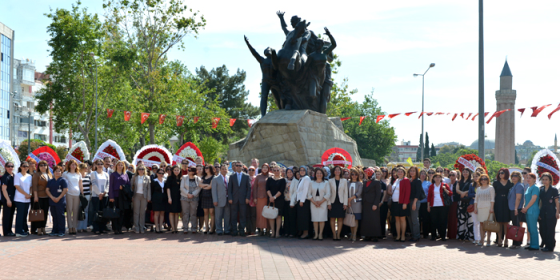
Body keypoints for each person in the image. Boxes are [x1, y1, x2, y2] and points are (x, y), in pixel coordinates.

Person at [228, 161, 251, 236]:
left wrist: (247, 198)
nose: (238, 166)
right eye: (237, 165)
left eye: (239, 165)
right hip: (234, 199)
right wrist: (230, 198)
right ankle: (234, 231)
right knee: (233, 216)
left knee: (243, 215)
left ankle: (241, 231)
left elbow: (249, 188)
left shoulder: (246, 176)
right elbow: (229, 189)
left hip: (243, 199)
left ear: (242, 166)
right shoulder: (232, 176)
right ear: (235, 167)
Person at [538, 172, 559, 252]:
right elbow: (540, 202)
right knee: (542, 229)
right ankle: (546, 243)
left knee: (550, 230)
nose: (544, 181)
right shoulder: (541, 189)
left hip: (551, 212)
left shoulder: (554, 190)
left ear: (550, 180)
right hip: (543, 212)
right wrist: (539, 212)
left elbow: (557, 202)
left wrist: (557, 212)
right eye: (543, 179)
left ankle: (550, 246)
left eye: (546, 179)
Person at [427, 172, 452, 241]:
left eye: (439, 177)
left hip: (443, 206)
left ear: (441, 178)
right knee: (433, 221)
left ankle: (442, 235)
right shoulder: (432, 186)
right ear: (434, 178)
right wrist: (428, 206)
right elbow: (429, 197)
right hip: (433, 205)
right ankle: (433, 235)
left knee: (443, 221)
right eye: (436, 177)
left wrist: (445, 189)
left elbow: (450, 193)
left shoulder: (444, 185)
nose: (437, 179)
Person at [31, 160, 53, 236]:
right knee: (39, 213)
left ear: (47, 166)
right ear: (38, 167)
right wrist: (36, 196)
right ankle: (39, 229)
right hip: (39, 196)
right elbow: (34, 186)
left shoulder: (50, 174)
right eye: (41, 165)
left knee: (45, 213)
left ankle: (43, 228)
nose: (43, 167)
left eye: (45, 165)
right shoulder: (36, 174)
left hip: (47, 197)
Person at [45, 166, 68, 237]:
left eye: (59, 171)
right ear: (53, 172)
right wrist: (52, 197)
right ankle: (54, 230)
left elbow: (65, 190)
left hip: (60, 201)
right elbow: (47, 190)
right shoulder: (50, 181)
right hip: (52, 201)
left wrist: (58, 198)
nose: (57, 172)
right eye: (56, 171)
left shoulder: (63, 180)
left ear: (61, 172)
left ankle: (61, 231)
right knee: (54, 216)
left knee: (60, 216)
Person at [492, 168, 512, 247]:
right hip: (498, 203)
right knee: (499, 222)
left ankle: (506, 240)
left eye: (502, 173)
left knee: (506, 223)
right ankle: (499, 239)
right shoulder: (496, 183)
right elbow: (494, 195)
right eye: (499, 173)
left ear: (506, 173)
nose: (500, 174)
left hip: (507, 203)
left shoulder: (510, 183)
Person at [327, 166, 348, 241]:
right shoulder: (330, 181)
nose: (337, 171)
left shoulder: (344, 181)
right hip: (332, 202)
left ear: (340, 171)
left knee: (340, 219)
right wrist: (328, 203)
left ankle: (338, 234)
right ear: (333, 171)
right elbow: (328, 193)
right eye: (335, 170)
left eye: (338, 170)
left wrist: (345, 204)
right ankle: (334, 234)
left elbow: (346, 193)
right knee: (332, 218)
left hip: (341, 202)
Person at [308, 168, 330, 240]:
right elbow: (309, 194)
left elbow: (328, 194)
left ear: (323, 174)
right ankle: (316, 234)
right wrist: (314, 202)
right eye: (317, 173)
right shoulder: (311, 182)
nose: (319, 175)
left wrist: (320, 202)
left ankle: (320, 234)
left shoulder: (326, 183)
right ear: (315, 174)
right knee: (315, 219)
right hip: (313, 202)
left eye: (320, 173)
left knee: (322, 219)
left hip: (323, 203)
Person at [474, 174, 495, 246]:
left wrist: (492, 208)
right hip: (480, 208)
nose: (483, 180)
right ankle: (481, 240)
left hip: (488, 208)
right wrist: (475, 208)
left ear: (488, 180)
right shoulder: (478, 188)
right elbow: (476, 200)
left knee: (488, 224)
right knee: (481, 224)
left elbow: (492, 199)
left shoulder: (491, 188)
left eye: (485, 179)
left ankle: (488, 240)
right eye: (482, 179)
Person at [390, 167, 411, 242]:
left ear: (404, 173)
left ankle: (403, 236)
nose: (399, 173)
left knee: (402, 219)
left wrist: (405, 203)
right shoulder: (396, 180)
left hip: (402, 203)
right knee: (397, 220)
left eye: (401, 171)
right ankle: (398, 235)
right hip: (395, 203)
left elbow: (407, 193)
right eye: (398, 171)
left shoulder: (406, 180)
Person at [63, 160, 84, 235]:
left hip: (77, 194)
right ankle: (70, 227)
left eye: (75, 165)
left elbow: (80, 184)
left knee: (75, 211)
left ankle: (74, 227)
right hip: (69, 194)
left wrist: (82, 193)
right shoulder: (65, 174)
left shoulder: (78, 174)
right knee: (69, 210)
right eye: (72, 164)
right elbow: (64, 184)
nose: (73, 166)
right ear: (69, 165)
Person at [109, 161, 129, 235]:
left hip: (123, 196)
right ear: (116, 166)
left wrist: (123, 187)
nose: (120, 166)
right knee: (115, 212)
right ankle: (115, 228)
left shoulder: (125, 175)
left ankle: (120, 228)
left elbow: (128, 185)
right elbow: (110, 186)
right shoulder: (113, 175)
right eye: (119, 165)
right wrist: (111, 196)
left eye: (121, 165)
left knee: (122, 212)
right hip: (115, 195)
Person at [266, 164, 286, 238]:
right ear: (273, 171)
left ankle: (277, 232)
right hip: (271, 199)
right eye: (275, 170)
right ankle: (273, 231)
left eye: (278, 170)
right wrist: (271, 197)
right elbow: (267, 189)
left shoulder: (282, 180)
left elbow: (281, 190)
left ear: (280, 171)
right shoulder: (269, 179)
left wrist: (274, 197)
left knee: (278, 216)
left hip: (279, 200)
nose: (276, 171)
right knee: (271, 216)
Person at [90, 159, 110, 234]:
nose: (100, 165)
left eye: (101, 164)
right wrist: (99, 193)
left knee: (103, 212)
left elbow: (108, 184)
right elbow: (94, 184)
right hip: (96, 196)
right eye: (98, 164)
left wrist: (104, 192)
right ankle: (96, 228)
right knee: (96, 212)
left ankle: (102, 228)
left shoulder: (106, 174)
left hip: (105, 195)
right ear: (95, 165)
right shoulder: (93, 173)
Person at [506, 171, 525, 248]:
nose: (513, 177)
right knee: (515, 225)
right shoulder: (514, 185)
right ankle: (517, 242)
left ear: (519, 177)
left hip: (516, 208)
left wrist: (516, 209)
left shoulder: (519, 186)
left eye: (516, 176)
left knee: (516, 226)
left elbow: (518, 198)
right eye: (512, 175)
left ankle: (516, 243)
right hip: (512, 208)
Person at [13, 162, 32, 237]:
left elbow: (31, 187)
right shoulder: (17, 175)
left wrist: (30, 194)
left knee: (24, 215)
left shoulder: (29, 176)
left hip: (27, 199)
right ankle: (18, 231)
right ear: (20, 167)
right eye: (24, 166)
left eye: (27, 166)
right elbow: (17, 186)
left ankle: (23, 230)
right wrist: (26, 194)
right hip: (19, 198)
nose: (25, 167)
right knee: (20, 215)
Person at [521, 173, 539, 250]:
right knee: (530, 228)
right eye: (527, 178)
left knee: (533, 228)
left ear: (534, 179)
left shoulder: (535, 188)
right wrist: (524, 207)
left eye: (530, 178)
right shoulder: (528, 188)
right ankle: (532, 244)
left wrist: (526, 208)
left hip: (533, 209)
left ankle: (535, 245)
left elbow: (533, 199)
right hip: (528, 210)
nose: (528, 179)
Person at [180, 167, 201, 233]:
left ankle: (194, 227)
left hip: (194, 198)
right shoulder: (184, 177)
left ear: (194, 172)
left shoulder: (198, 179)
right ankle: (185, 227)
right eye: (188, 170)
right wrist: (188, 194)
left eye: (190, 170)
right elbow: (182, 187)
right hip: (184, 197)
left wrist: (193, 194)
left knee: (193, 213)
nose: (188, 171)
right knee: (185, 213)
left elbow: (199, 188)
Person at [131, 164, 151, 233]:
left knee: (142, 213)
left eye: (142, 169)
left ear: (144, 170)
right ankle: (136, 227)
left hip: (144, 196)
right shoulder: (134, 177)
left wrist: (149, 197)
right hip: (136, 196)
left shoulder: (147, 177)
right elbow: (131, 187)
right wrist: (131, 196)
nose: (141, 170)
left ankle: (141, 227)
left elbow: (149, 188)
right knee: (136, 212)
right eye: (140, 169)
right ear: (137, 170)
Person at [212, 164, 231, 235]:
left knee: (227, 216)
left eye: (225, 169)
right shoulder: (216, 179)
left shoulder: (229, 178)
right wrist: (215, 200)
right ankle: (219, 230)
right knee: (218, 216)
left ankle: (227, 230)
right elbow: (214, 191)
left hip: (228, 200)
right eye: (222, 169)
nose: (224, 170)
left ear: (227, 170)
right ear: (220, 170)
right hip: (219, 200)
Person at [252, 163, 270, 236]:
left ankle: (268, 229)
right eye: (263, 167)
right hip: (259, 198)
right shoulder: (258, 176)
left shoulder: (271, 176)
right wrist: (255, 197)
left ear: (268, 169)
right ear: (261, 168)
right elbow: (255, 187)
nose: (265, 169)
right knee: (260, 214)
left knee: (268, 213)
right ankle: (261, 230)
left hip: (268, 198)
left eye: (266, 167)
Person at [456, 169, 474, 241]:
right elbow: (457, 190)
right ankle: (461, 235)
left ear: (469, 173)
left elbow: (472, 190)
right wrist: (462, 193)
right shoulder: (459, 181)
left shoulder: (472, 181)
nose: (465, 173)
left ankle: (470, 236)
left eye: (467, 172)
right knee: (461, 219)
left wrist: (464, 192)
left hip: (469, 202)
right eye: (464, 172)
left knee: (470, 220)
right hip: (461, 202)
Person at [407, 166, 423, 242]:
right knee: (409, 219)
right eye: (411, 171)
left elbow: (418, 193)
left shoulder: (418, 181)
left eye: (413, 171)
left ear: (416, 172)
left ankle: (416, 236)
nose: (412, 172)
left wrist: (414, 203)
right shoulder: (409, 180)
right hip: (408, 201)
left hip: (415, 201)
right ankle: (413, 235)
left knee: (414, 219)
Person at [165, 165, 182, 233]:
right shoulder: (170, 178)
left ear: (180, 170)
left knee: (176, 213)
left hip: (179, 198)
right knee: (171, 212)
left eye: (177, 170)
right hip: (171, 197)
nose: (176, 171)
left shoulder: (181, 178)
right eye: (175, 170)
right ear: (172, 171)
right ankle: (173, 228)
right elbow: (168, 188)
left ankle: (176, 227)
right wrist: (169, 197)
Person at [347, 168, 363, 242]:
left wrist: (350, 198)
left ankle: (354, 234)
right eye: (352, 174)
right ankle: (352, 233)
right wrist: (348, 201)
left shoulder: (360, 183)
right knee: (351, 219)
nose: (354, 176)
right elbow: (346, 193)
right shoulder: (348, 183)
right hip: (349, 203)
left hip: (357, 203)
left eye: (355, 174)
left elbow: (359, 193)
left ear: (358, 175)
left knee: (355, 219)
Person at [199, 165, 216, 234]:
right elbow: (199, 184)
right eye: (205, 168)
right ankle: (206, 228)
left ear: (210, 169)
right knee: (205, 213)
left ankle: (212, 228)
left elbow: (210, 186)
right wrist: (206, 185)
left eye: (207, 168)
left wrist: (204, 186)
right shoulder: (203, 177)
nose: (205, 169)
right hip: (204, 197)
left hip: (211, 197)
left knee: (212, 213)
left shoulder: (213, 177)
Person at [1, 161, 16, 237]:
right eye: (9, 166)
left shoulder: (14, 175)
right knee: (7, 216)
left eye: (12, 166)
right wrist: (8, 199)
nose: (10, 167)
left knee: (11, 215)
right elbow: (4, 189)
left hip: (13, 199)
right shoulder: (5, 177)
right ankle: (6, 232)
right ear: (5, 167)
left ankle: (9, 231)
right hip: (8, 199)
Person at [76, 163, 91, 233]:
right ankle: (78, 227)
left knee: (86, 211)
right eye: (85, 167)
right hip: (79, 195)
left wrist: (90, 194)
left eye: (87, 167)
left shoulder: (88, 176)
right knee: (79, 210)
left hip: (87, 195)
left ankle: (84, 227)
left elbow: (90, 186)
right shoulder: (78, 175)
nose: (86, 168)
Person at [151, 168, 166, 233]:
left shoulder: (165, 180)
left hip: (163, 199)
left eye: (162, 173)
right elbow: (151, 191)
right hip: (156, 199)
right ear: (157, 174)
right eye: (159, 173)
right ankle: (156, 228)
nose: (161, 174)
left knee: (162, 213)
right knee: (156, 213)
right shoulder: (154, 181)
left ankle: (160, 228)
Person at [283, 168, 297, 237]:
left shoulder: (295, 181)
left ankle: (292, 232)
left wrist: (293, 202)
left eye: (291, 172)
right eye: (288, 172)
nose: (289, 173)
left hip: (292, 201)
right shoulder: (284, 180)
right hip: (285, 201)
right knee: (286, 217)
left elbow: (295, 192)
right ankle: (286, 231)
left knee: (292, 217)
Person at [469, 172, 482, 244]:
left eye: (476, 176)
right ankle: (476, 238)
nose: (475, 178)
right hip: (473, 205)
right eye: (474, 176)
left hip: (482, 205)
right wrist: (475, 195)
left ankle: (481, 238)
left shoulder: (483, 185)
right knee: (475, 222)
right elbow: (469, 194)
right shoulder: (471, 185)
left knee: (481, 222)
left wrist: (477, 196)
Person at [446, 171, 459, 240]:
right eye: (450, 175)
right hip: (449, 203)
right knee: (450, 218)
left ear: (456, 175)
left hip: (456, 202)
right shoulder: (448, 183)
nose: (451, 176)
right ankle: (450, 234)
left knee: (455, 218)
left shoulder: (458, 183)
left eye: (453, 175)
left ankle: (454, 234)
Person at [419, 169, 431, 239]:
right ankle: (418, 233)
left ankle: (425, 233)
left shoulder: (428, 183)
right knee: (418, 219)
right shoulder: (417, 182)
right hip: (417, 203)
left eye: (424, 173)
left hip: (425, 203)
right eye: (421, 173)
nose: (423, 175)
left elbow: (430, 194)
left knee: (425, 219)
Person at [379, 167, 390, 238]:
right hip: (377, 201)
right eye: (382, 171)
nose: (384, 172)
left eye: (385, 171)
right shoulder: (377, 180)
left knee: (383, 218)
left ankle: (383, 233)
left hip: (385, 201)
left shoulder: (389, 180)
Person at [246, 166, 258, 235]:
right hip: (247, 199)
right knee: (247, 215)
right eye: (249, 170)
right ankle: (248, 229)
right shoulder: (246, 178)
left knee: (253, 215)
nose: (251, 171)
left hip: (254, 199)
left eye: (252, 170)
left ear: (254, 171)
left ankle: (253, 230)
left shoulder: (256, 179)